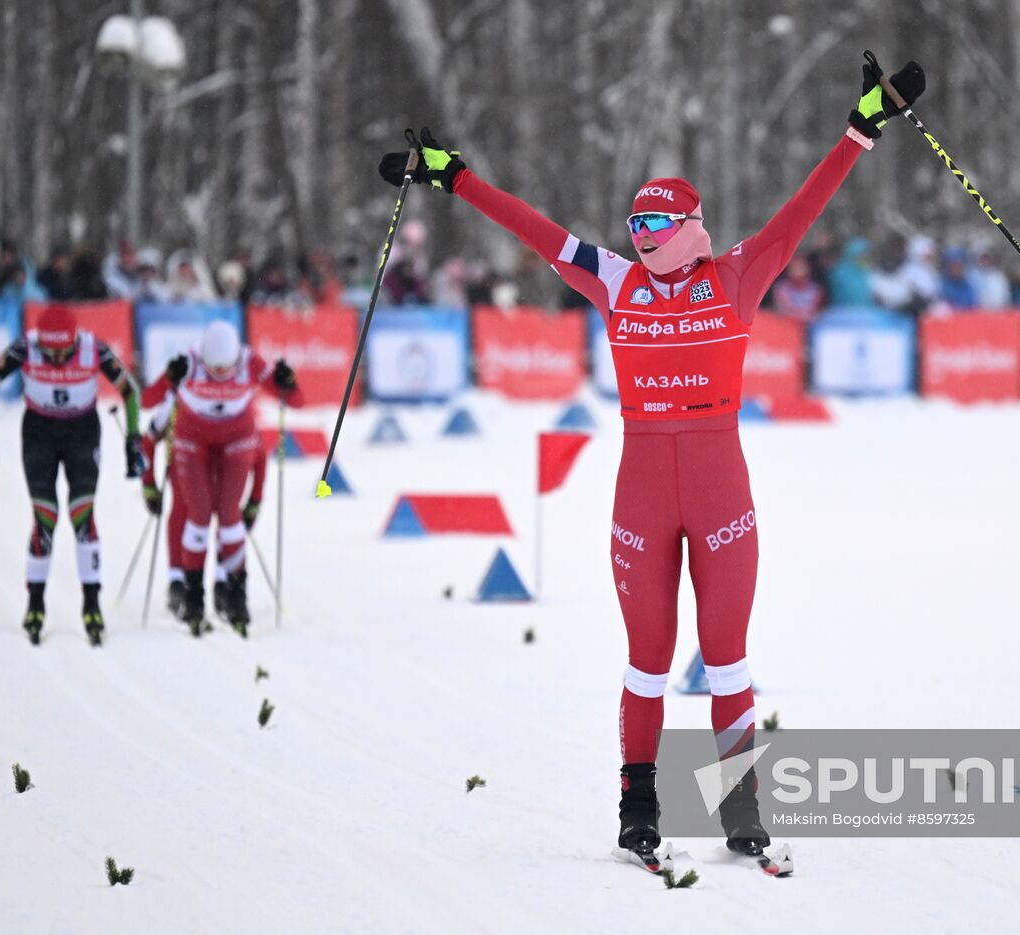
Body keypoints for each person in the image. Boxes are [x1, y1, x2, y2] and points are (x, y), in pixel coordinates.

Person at [380, 56, 925, 861]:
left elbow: (801, 211)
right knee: (647, 661)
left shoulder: (738, 275)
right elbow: (533, 229)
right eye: (634, 226)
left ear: (690, 227)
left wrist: (861, 126)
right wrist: (452, 176)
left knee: (729, 654)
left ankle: (740, 805)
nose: (640, 239)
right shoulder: (614, 281)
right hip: (641, 494)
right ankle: (640, 805)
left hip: (720, 493)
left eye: (655, 227)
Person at [0, 305, 146, 644]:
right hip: (39, 434)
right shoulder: (26, 347)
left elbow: (131, 390)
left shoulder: (92, 348)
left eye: (61, 351)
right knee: (45, 517)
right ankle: (35, 603)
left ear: (73, 340)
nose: (54, 357)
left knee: (83, 515)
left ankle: (91, 604)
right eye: (48, 351)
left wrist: (133, 441)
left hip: (81, 434)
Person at [141, 320, 301, 636]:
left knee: (229, 516)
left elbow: (293, 406)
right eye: (214, 369)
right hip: (192, 444)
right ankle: (188, 590)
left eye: (226, 368)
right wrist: (148, 484)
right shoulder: (188, 365)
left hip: (232, 446)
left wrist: (290, 382)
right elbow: (148, 408)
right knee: (193, 513)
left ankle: (231, 589)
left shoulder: (249, 362)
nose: (221, 375)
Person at [139, 393, 268, 622]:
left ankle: (222, 581)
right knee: (183, 510)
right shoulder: (176, 400)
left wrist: (255, 499)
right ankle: (178, 581)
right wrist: (149, 484)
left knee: (226, 515)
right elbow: (147, 441)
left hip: (222, 469)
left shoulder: (235, 401)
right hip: (187, 468)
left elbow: (258, 451)